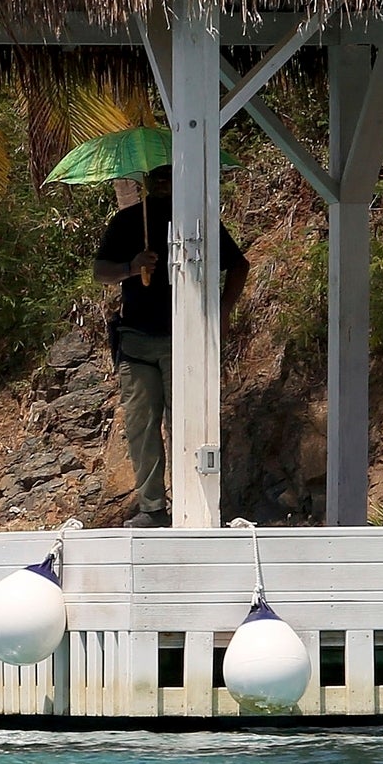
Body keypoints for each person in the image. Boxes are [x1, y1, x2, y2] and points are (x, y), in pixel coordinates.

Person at [90, 170, 247, 526]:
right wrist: (132, 267)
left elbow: (238, 265)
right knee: (141, 427)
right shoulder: (129, 221)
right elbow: (100, 271)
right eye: (156, 180)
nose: (162, 186)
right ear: (146, 184)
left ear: (179, 181)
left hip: (185, 339)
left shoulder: (197, 222)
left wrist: (223, 311)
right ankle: (153, 508)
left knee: (187, 425)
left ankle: (194, 503)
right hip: (136, 340)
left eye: (168, 179)